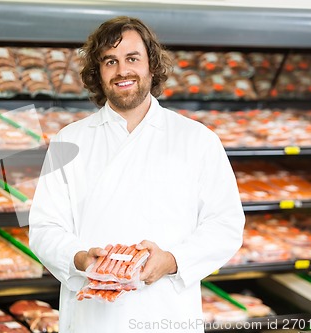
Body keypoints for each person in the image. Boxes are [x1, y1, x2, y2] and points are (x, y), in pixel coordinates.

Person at [29, 16, 245, 333]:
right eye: (109, 62)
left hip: (166, 314)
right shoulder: (69, 140)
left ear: (151, 66)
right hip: (93, 318)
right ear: (97, 73)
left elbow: (226, 224)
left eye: (132, 59)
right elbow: (45, 227)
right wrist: (81, 259)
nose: (122, 71)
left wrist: (172, 260)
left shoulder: (196, 139)